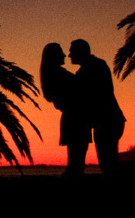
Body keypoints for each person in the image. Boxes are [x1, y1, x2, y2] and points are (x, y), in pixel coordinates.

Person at [69, 39, 126, 174]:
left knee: (108, 160)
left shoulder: (93, 67)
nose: (69, 55)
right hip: (107, 121)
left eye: (72, 51)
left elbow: (95, 95)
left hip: (108, 121)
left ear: (80, 52)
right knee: (107, 160)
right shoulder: (91, 67)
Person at [40, 42, 89, 176]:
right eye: (60, 52)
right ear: (54, 56)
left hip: (72, 117)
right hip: (75, 118)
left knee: (76, 160)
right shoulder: (58, 75)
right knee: (76, 161)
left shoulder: (53, 75)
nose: (64, 55)